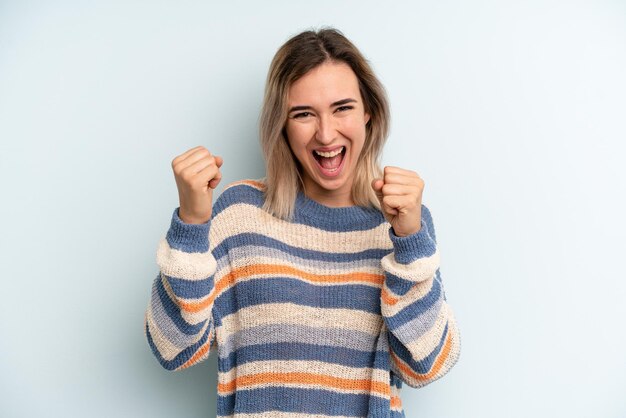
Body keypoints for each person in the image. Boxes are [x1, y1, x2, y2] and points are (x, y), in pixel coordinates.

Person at [144, 27, 461, 418]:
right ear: (282, 125)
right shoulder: (240, 215)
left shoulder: (401, 225)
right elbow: (172, 347)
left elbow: (427, 365)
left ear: (369, 113)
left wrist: (411, 240)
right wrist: (191, 223)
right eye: (304, 114)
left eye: (342, 107)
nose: (326, 134)